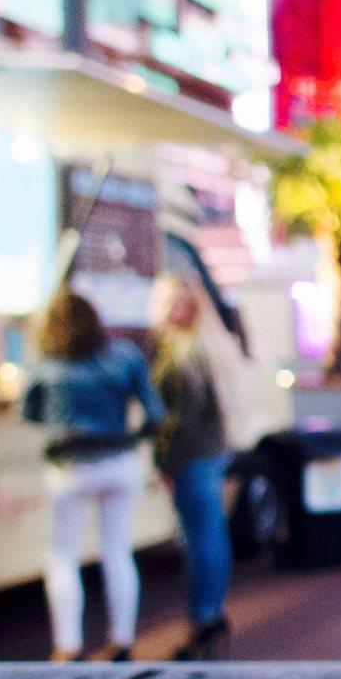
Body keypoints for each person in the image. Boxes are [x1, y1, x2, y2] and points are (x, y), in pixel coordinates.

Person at [23, 289, 164, 661]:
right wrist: (132, 439)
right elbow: (155, 413)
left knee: (62, 556)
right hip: (119, 461)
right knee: (117, 551)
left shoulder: (46, 360)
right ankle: (122, 639)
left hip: (69, 466)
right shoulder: (124, 356)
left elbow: (31, 412)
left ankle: (67, 645)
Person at [146, 278, 239, 659]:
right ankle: (209, 617)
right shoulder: (204, 346)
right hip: (209, 450)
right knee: (210, 534)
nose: (177, 309)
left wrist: (165, 461)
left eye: (182, 302)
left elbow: (180, 417)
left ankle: (205, 618)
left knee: (202, 537)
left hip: (193, 454)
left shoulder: (184, 350)